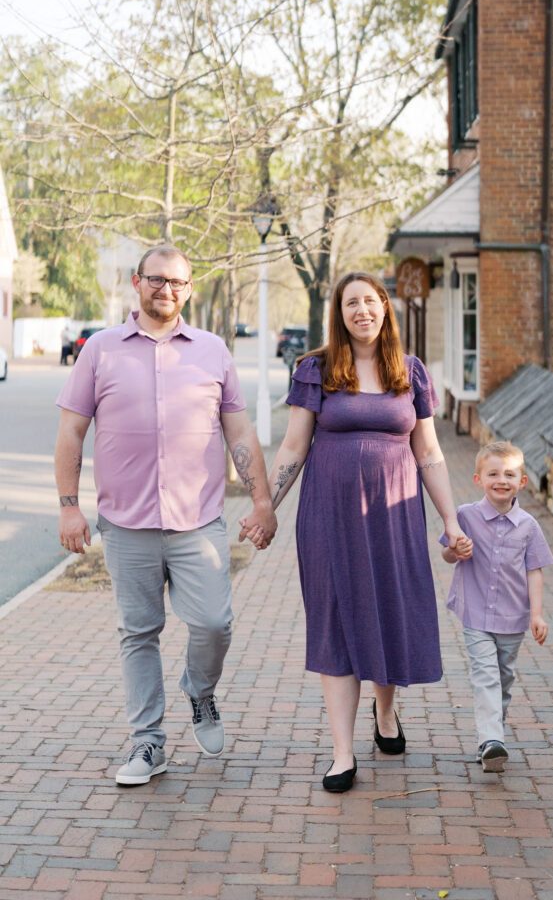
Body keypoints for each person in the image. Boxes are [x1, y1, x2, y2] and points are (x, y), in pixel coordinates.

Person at [54, 245, 277, 786]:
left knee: (213, 623)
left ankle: (200, 691)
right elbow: (70, 432)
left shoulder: (212, 351)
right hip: (126, 525)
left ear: (189, 289)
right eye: (156, 280)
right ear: (137, 283)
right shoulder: (100, 350)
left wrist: (263, 501)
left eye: (177, 282)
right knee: (139, 632)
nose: (166, 290)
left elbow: (240, 433)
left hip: (198, 522)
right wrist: (68, 507)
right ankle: (148, 745)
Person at [266, 271, 468, 793]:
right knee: (335, 619)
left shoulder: (410, 371)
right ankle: (341, 753)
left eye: (370, 301)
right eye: (351, 302)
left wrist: (450, 520)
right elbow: (292, 448)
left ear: (385, 308)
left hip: (394, 516)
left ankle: (385, 713)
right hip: (328, 516)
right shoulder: (315, 370)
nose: (362, 311)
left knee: (388, 612)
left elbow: (429, 452)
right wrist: (265, 506)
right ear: (340, 312)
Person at [440, 441, 553, 772]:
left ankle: (491, 740)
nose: (501, 480)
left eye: (509, 474)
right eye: (493, 473)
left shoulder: (530, 526)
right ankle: (492, 739)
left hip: (513, 618)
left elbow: (535, 571)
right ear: (479, 479)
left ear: (522, 481)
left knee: (503, 679)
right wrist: (456, 550)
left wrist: (536, 615)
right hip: (475, 613)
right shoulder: (465, 516)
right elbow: (447, 554)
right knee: (486, 675)